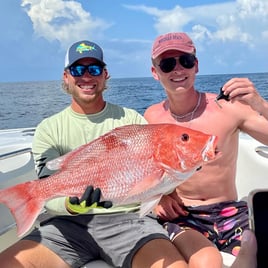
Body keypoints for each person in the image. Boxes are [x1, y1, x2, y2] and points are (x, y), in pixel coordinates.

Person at [0, 40, 189, 268]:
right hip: (68, 226)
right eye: (78, 70)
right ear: (66, 76)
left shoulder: (131, 120)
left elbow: (154, 179)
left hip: (130, 221)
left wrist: (166, 190)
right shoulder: (48, 129)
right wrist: (73, 205)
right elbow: (46, 189)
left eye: (95, 69)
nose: (87, 76)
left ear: (105, 74)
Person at [144, 31, 268, 262]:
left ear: (196, 65)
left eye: (186, 61)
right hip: (182, 217)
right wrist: (160, 198)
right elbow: (147, 171)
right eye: (168, 64)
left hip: (231, 212)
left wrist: (260, 104)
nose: (178, 69)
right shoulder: (152, 117)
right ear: (155, 72)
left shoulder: (228, 108)